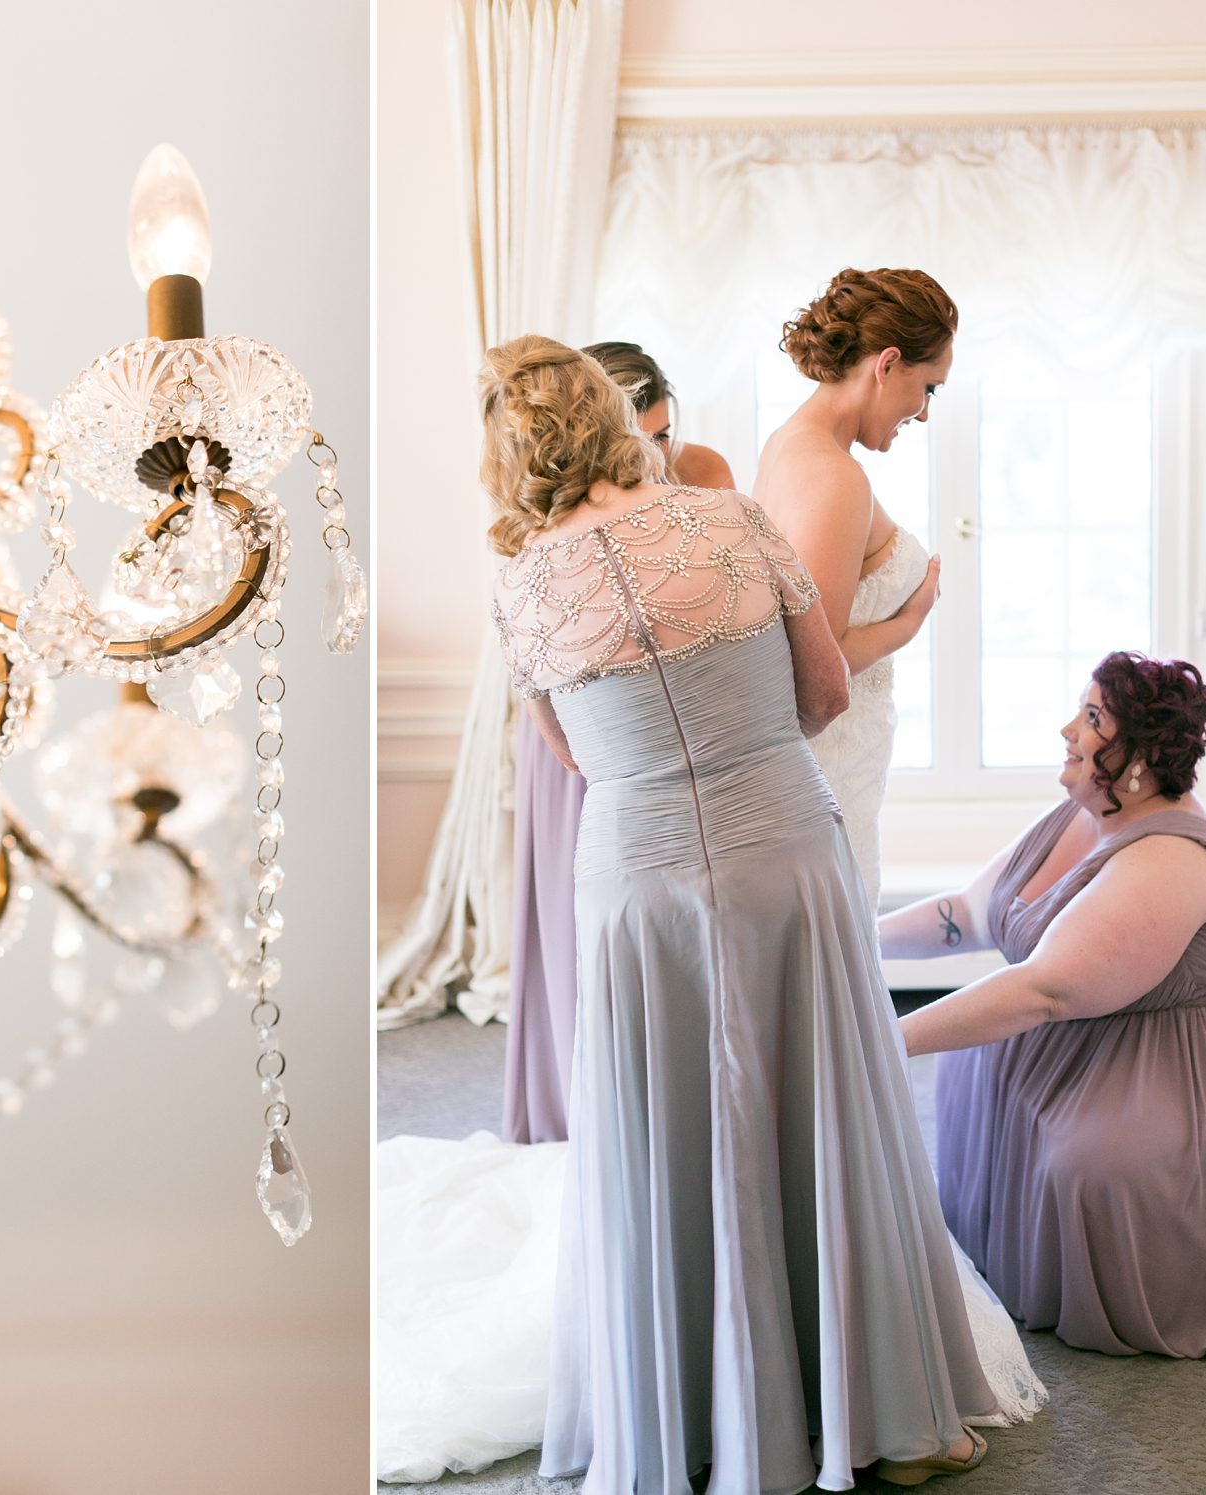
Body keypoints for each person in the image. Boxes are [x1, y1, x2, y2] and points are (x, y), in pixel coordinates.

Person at [486, 334, 997, 1493]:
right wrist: (740, 751)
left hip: (636, 872)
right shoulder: (730, 522)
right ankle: (887, 1419)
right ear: (616, 419)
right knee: (823, 1101)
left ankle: (689, 1425)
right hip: (777, 835)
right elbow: (822, 692)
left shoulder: (520, 586)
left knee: (663, 1124)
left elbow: (570, 758)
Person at [883, 652, 1206, 1360]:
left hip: (1195, 1051)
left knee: (1093, 1167)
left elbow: (1045, 989)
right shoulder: (1085, 810)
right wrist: (858, 941)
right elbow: (967, 911)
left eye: (1090, 719)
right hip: (1096, 1017)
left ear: (1138, 759)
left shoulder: (1173, 858)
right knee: (973, 1063)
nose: (1067, 730)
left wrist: (884, 1037)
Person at [504, 341, 734, 1145]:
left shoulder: (704, 472)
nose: (655, 456)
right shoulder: (547, 508)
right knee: (587, 913)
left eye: (664, 433)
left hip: (679, 711)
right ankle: (594, 1106)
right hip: (581, 718)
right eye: (640, 438)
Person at [752, 268, 950, 905]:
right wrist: (907, 623)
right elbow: (817, 662)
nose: (924, 412)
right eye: (927, 388)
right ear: (887, 364)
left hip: (838, 764)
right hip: (829, 770)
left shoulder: (787, 444)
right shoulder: (834, 476)